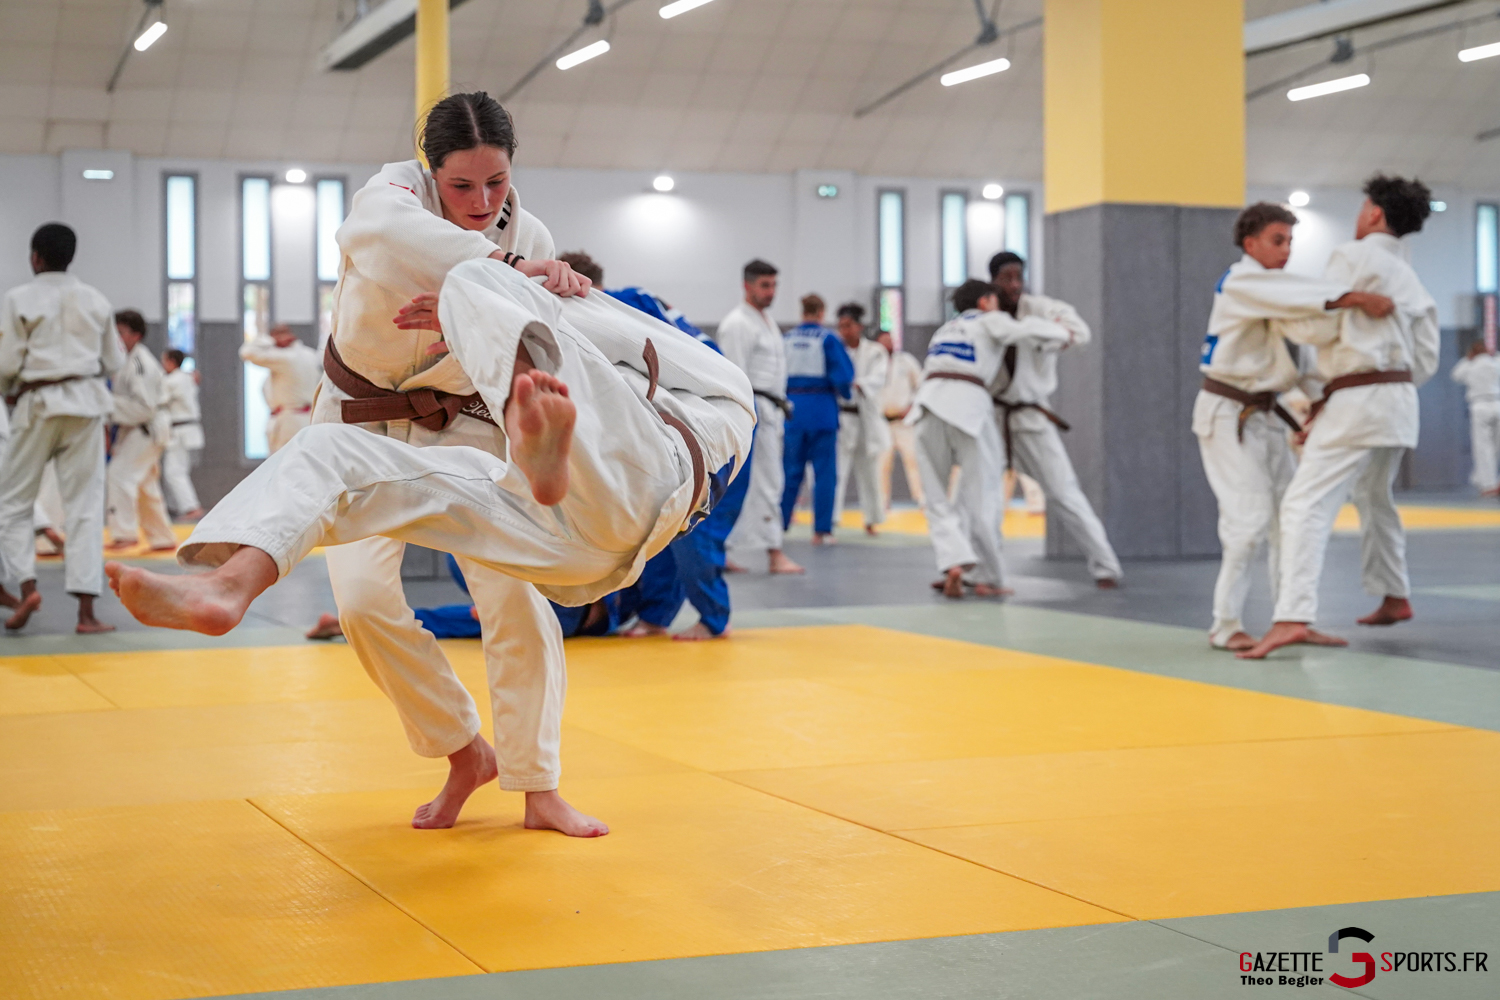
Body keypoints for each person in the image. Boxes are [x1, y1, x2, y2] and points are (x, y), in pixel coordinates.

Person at [105, 257, 755, 769]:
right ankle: (229, 585)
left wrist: (516, 293)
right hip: (567, 547)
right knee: (329, 449)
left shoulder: (588, 313)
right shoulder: (482, 337)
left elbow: (732, 405)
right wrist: (472, 328)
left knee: (479, 282)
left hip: (648, 469)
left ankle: (550, 454)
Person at [266, 92, 609, 837]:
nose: (483, 201)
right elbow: (389, 239)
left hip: (468, 428)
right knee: (359, 603)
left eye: (498, 183)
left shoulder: (532, 231)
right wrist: (504, 274)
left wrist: (550, 292)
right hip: (362, 422)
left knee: (514, 596)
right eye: (462, 186)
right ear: (431, 171)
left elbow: (531, 339)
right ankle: (462, 747)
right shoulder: (387, 197)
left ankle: (537, 783)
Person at [1241, 174, 1440, 659]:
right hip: (1398, 403)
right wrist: (1389, 380)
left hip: (1358, 400)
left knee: (1303, 502)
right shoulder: (1411, 277)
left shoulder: (1353, 257)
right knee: (1374, 494)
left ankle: (1292, 615)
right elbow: (1428, 357)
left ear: (1373, 213)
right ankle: (1394, 594)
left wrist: (1273, 312)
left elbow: (1320, 321)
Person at [1195, 202, 1393, 651]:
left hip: (1266, 416)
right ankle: (1225, 625)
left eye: (1289, 241)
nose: (1286, 250)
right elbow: (1302, 296)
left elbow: (1297, 357)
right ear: (1250, 244)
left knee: (1291, 519)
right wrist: (1356, 297)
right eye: (1277, 240)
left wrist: (1318, 403)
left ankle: (1293, 617)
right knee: (1247, 521)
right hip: (1227, 414)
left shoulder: (1272, 294)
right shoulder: (1242, 280)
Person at [558, 251, 753, 641]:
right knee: (661, 522)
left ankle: (716, 619)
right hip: (684, 420)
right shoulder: (635, 301)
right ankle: (657, 616)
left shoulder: (616, 307)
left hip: (717, 418)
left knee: (695, 527)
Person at [909, 279, 1068, 598]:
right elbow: (1025, 331)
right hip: (968, 405)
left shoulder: (945, 329)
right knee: (983, 495)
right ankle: (991, 577)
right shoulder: (990, 320)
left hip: (926, 403)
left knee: (937, 498)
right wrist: (1063, 332)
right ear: (985, 302)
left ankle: (953, 561)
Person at [0, 222, 122, 633]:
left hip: (37, 404)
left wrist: (10, 390)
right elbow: (114, 363)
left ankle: (27, 586)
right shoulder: (96, 300)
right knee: (85, 507)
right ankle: (86, 613)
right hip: (86, 405)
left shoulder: (18, 298)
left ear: (35, 257)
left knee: (14, 503)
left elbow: (5, 364)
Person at [989, 251, 1123, 587]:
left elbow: (1080, 334)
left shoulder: (1042, 308)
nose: (1015, 284)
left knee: (1064, 493)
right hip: (991, 417)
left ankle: (1106, 565)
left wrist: (1029, 331)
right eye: (1007, 277)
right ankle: (981, 570)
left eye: (1019, 276)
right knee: (983, 497)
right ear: (993, 280)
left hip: (1033, 415)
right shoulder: (983, 314)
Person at [719, 260, 802, 573]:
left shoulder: (765, 321)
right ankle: (773, 552)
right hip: (753, 412)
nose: (771, 292)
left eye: (773, 285)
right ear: (747, 285)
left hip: (770, 411)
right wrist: (744, 419)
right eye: (764, 286)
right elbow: (734, 374)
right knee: (764, 483)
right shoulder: (738, 324)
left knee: (765, 483)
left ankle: (724, 549)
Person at [779, 294, 854, 545]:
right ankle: (821, 531)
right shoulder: (828, 339)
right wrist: (845, 392)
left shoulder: (786, 339)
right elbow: (843, 376)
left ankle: (779, 526)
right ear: (822, 312)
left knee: (790, 472)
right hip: (822, 409)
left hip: (792, 410)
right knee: (824, 474)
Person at [105, 310, 176, 553]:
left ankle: (125, 533)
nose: (116, 338)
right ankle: (162, 537)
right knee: (145, 484)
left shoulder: (139, 363)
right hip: (139, 427)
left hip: (146, 427)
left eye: (121, 333)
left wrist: (106, 405)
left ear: (136, 335)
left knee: (119, 474)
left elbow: (144, 408)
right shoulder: (126, 359)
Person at [831, 303, 889, 536]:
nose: (844, 331)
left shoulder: (875, 351)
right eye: (841, 326)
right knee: (837, 472)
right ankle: (831, 520)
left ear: (859, 326)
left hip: (865, 416)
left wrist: (856, 385)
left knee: (870, 472)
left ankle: (872, 519)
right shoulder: (834, 349)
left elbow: (878, 378)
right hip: (842, 416)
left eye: (848, 326)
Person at [240, 323, 321, 454]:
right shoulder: (310, 354)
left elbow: (246, 352)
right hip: (308, 419)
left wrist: (268, 340)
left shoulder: (286, 357)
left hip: (289, 421)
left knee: (282, 467)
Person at [877, 330, 924, 508]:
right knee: (882, 464)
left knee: (914, 460)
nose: (888, 344)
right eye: (884, 341)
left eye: (890, 340)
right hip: (882, 421)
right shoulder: (873, 364)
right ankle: (882, 502)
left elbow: (921, 385)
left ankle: (922, 499)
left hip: (904, 422)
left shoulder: (906, 361)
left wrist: (912, 406)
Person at [1451, 340, 1500, 496]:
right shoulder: (1496, 361)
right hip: (1498, 402)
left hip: (1479, 406)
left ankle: (1488, 484)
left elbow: (1456, 375)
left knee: (1483, 447)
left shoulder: (1470, 365)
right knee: (1496, 446)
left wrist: (1468, 359)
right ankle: (1486, 480)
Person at [159, 348, 204, 520]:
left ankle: (191, 507)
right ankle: (178, 507)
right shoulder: (187, 378)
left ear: (171, 362)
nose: (162, 365)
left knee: (173, 472)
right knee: (178, 470)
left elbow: (159, 399)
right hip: (186, 430)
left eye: (164, 361)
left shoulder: (173, 380)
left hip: (180, 431)